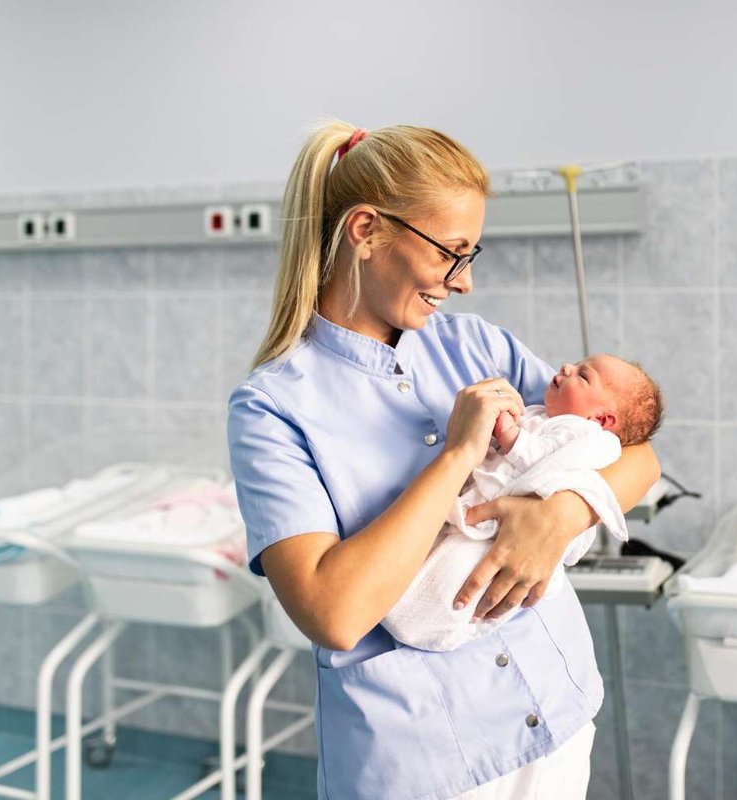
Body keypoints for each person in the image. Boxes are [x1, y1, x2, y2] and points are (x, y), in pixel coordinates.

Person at [225, 122, 660, 800]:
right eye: (452, 254)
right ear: (366, 231)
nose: (464, 282)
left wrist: (558, 519)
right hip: (426, 760)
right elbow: (333, 613)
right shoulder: (274, 408)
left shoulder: (475, 344)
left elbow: (634, 455)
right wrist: (457, 455)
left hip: (554, 712)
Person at [383, 354, 664, 651]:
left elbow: (542, 459)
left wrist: (507, 432)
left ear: (601, 420)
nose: (566, 367)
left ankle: (432, 615)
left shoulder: (584, 435)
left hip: (500, 526)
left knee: (464, 574)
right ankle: (415, 603)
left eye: (583, 376)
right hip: (479, 509)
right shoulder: (543, 413)